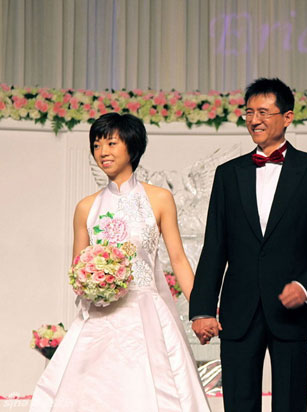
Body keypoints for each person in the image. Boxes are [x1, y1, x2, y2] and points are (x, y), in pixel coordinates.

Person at [30, 113, 211, 411]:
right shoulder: (86, 207)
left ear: (132, 146)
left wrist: (201, 309)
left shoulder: (160, 199)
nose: (102, 151)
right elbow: (78, 269)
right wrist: (93, 283)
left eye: (111, 143)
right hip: (99, 318)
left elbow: (178, 260)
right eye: (97, 144)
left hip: (147, 314)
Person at [189, 77, 307, 412]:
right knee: (238, 403)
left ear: (287, 117)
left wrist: (306, 286)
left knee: (289, 404)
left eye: (263, 112)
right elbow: (215, 245)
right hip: (238, 309)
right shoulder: (228, 174)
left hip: (292, 309)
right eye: (248, 113)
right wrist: (203, 308)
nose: (254, 120)